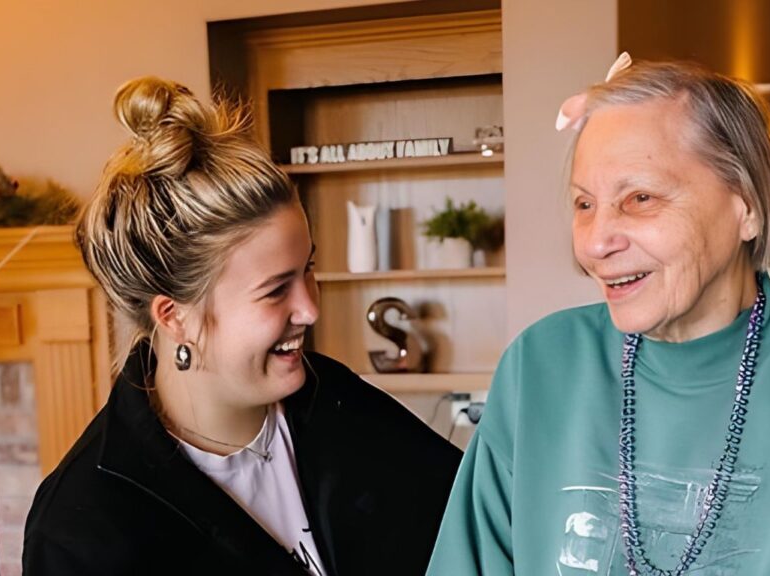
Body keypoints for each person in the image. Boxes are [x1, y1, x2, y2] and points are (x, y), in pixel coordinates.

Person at [428, 55, 770, 575]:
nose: (596, 243)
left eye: (640, 197)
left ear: (747, 206)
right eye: (583, 204)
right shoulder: (540, 364)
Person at [23, 77, 461, 576]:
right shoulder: (83, 528)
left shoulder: (335, 400)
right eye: (276, 290)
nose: (310, 309)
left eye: (308, 271)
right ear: (175, 317)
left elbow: (477, 514)